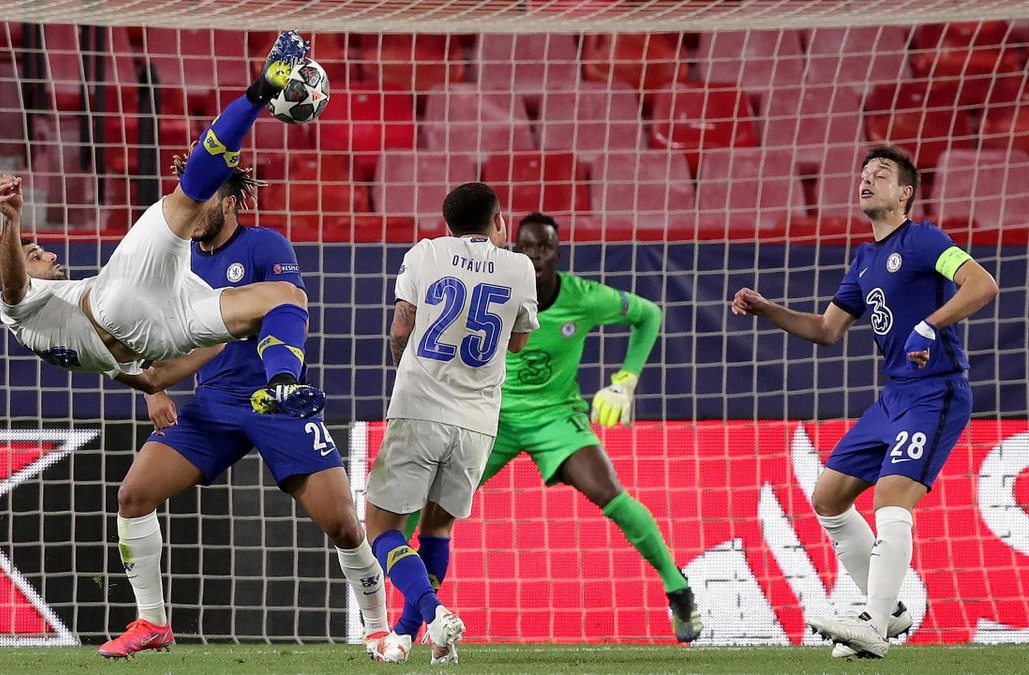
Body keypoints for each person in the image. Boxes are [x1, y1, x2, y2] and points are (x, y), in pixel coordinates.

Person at [95, 156, 397, 661]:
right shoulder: (178, 257)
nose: (191, 206)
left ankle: (379, 628)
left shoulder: (265, 246)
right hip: (214, 405)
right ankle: (152, 622)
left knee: (344, 524)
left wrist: (283, 378)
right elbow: (149, 326)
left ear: (231, 201)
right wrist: (154, 388)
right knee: (133, 495)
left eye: (206, 196)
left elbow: (292, 309)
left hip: (276, 405)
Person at [731, 145, 998, 659]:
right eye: (863, 174)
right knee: (828, 497)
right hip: (892, 397)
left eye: (881, 174)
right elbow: (827, 329)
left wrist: (928, 324)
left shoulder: (924, 240)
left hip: (935, 390)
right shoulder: (865, 258)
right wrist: (767, 309)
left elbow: (981, 284)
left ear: (906, 193)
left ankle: (873, 623)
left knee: (890, 499)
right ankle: (890, 610)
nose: (866, 180)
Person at [396, 212, 702, 647]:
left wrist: (626, 380)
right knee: (431, 512)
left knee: (609, 492)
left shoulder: (583, 296)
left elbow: (648, 314)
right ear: (512, 249)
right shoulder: (494, 287)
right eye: (526, 247)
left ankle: (678, 589)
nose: (535, 256)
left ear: (557, 253)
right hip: (492, 418)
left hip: (556, 417)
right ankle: (402, 622)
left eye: (544, 247)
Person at [0, 30, 322, 418]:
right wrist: (11, 221)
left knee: (285, 296)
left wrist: (204, 347)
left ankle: (281, 386)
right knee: (188, 197)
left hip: (159, 335)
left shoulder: (55, 330)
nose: (47, 252)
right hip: (117, 303)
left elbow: (150, 380)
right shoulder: (18, 309)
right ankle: (261, 90)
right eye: (34, 255)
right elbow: (13, 283)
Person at [366, 183, 539, 665]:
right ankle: (410, 636)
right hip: (478, 421)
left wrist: (409, 373)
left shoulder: (425, 254)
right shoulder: (520, 267)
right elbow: (519, 343)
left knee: (380, 526)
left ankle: (432, 611)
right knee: (437, 528)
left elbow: (402, 327)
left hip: (420, 407)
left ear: (447, 225)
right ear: (499, 220)